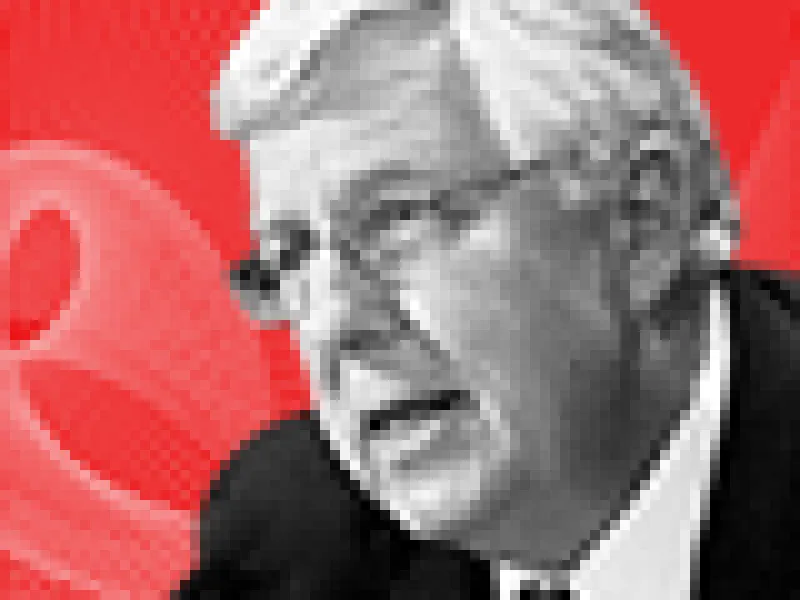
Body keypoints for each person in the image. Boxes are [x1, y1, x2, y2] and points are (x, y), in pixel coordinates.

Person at [176, 0, 799, 597]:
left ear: (642, 223)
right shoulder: (295, 538)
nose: (335, 323)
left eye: (397, 218)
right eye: (290, 256)